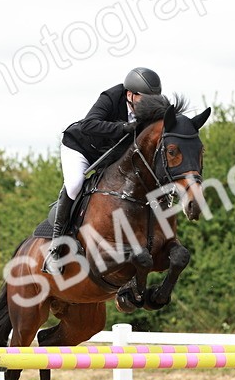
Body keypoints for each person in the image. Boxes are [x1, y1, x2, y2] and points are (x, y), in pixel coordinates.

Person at [43, 67, 163, 273]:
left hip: (110, 155)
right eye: (146, 98)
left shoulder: (152, 108)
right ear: (130, 94)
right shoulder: (111, 97)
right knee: (74, 185)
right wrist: (123, 128)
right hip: (80, 147)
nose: (150, 104)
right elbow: (89, 125)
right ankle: (55, 246)